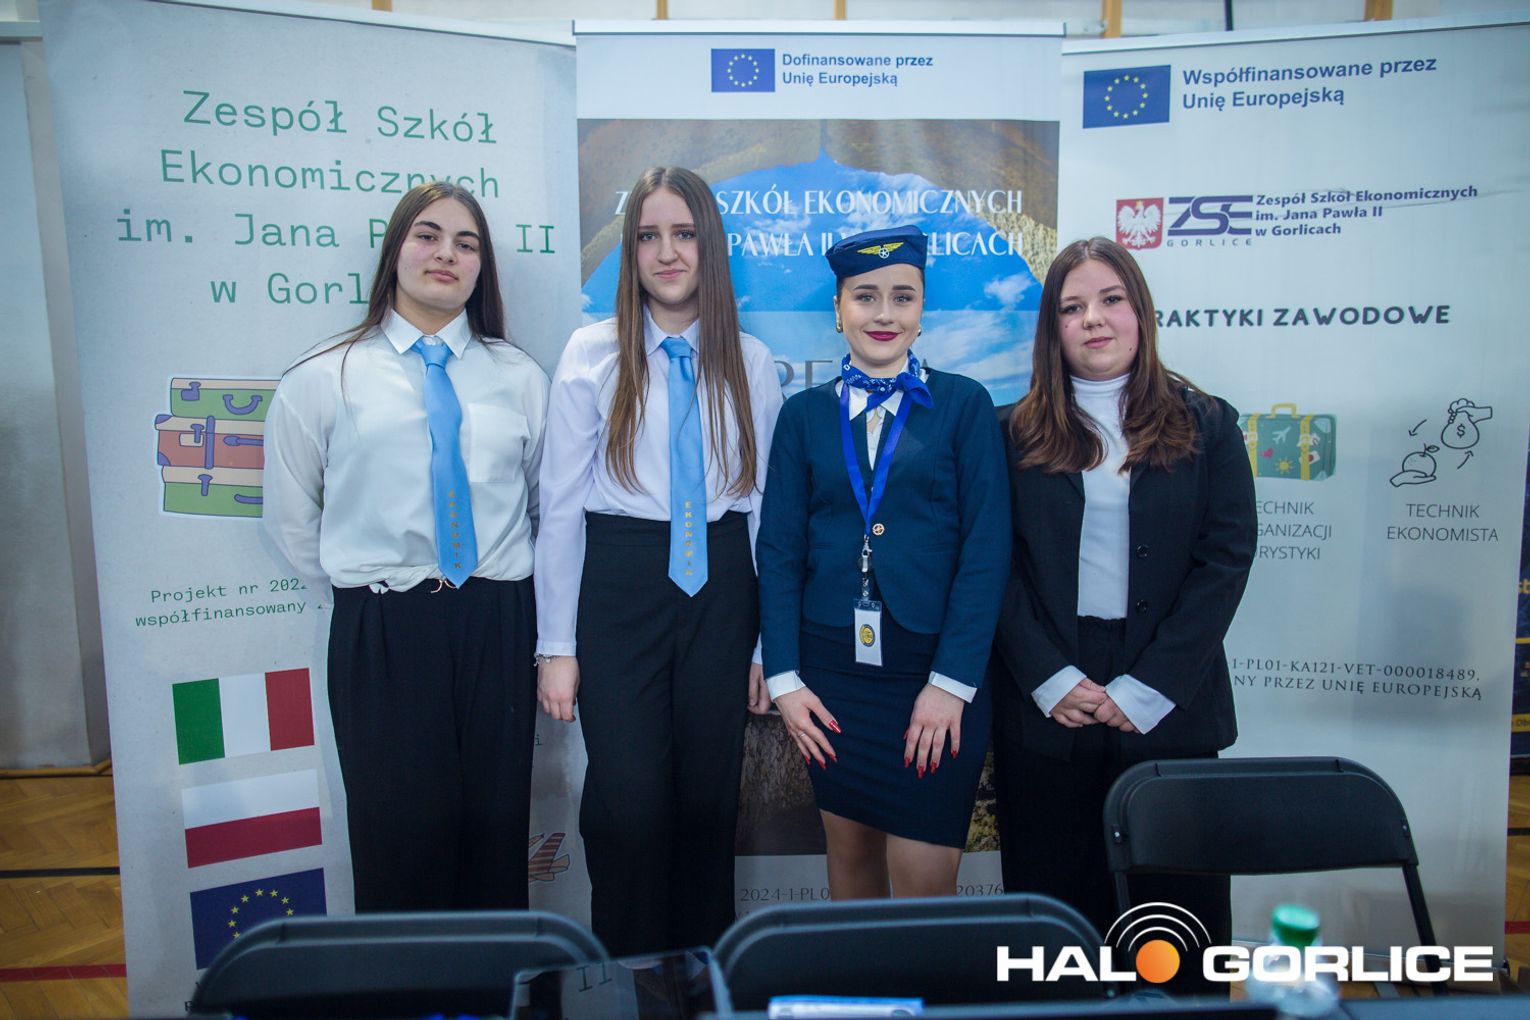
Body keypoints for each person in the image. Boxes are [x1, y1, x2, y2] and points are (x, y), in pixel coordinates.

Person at [262, 181, 548, 911]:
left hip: (498, 622)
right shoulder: (325, 376)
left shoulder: (518, 378)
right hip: (384, 627)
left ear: (482, 267)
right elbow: (292, 521)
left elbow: (544, 507)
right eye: (428, 235)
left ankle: (495, 975)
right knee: (398, 844)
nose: (445, 254)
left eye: (466, 243)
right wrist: (374, 593)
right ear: (395, 251)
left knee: (494, 839)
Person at [990, 236, 1256, 979]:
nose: (1094, 319)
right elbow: (991, 568)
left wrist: (1149, 687)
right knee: (1053, 929)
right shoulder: (1007, 434)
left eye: (1111, 300)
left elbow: (1225, 561)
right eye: (1072, 307)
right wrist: (1048, 677)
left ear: (1140, 312)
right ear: (1052, 328)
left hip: (1170, 697)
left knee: (1179, 929)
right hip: (1050, 699)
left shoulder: (1208, 424)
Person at [533, 166, 783, 956]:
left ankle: (703, 984)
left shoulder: (751, 361)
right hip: (620, 586)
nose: (667, 252)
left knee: (708, 804)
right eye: (648, 236)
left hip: (722, 585)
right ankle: (628, 978)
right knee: (630, 803)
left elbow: (766, 513)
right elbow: (560, 506)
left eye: (684, 234)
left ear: (710, 246)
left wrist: (767, 644)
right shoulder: (590, 354)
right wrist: (556, 646)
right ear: (630, 250)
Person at [757, 225, 1010, 899]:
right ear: (838, 310)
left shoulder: (965, 405)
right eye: (865, 296)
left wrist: (951, 683)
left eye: (903, 297)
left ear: (922, 310)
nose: (884, 313)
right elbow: (778, 552)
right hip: (832, 671)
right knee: (851, 864)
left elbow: (986, 552)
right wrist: (783, 677)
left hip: (933, 672)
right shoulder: (803, 415)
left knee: (925, 879)